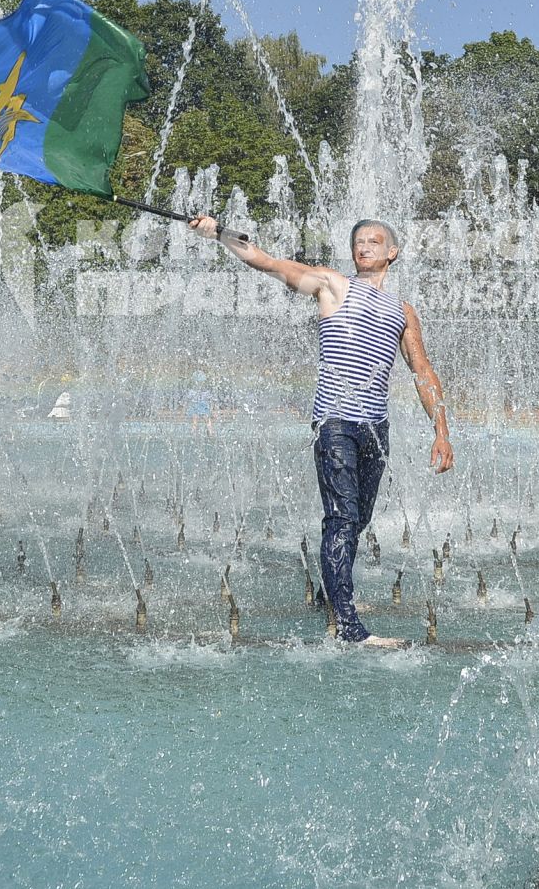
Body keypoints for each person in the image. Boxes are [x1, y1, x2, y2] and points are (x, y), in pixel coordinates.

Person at [189, 213, 452, 648]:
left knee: (358, 518)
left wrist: (441, 430)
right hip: (334, 422)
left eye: (373, 241)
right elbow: (269, 263)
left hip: (375, 429)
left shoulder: (403, 312)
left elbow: (422, 371)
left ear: (392, 252)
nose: (363, 247)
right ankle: (348, 627)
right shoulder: (333, 285)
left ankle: (335, 591)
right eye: (358, 242)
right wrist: (218, 233)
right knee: (343, 517)